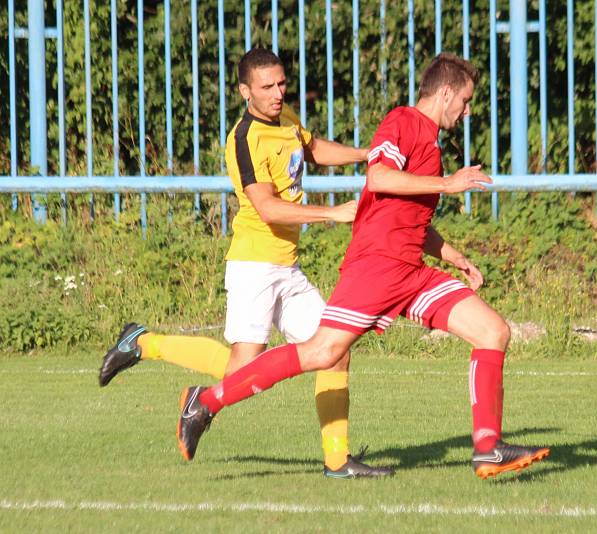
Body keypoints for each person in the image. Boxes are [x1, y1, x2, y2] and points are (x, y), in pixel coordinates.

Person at [174, 53, 550, 479]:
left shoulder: (429, 141)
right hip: (376, 267)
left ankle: (487, 448)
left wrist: (452, 254)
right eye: (464, 101)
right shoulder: (403, 122)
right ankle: (205, 403)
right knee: (322, 352)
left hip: (410, 270)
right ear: (445, 93)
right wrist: (448, 183)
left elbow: (402, 215)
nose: (467, 111)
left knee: (492, 330)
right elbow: (380, 179)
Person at [99, 48, 392, 478]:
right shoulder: (243, 140)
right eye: (267, 87)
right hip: (254, 266)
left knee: (334, 351)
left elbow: (312, 149)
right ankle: (143, 343)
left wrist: (365, 154)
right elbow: (269, 209)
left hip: (287, 267)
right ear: (244, 91)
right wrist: (332, 213)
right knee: (244, 371)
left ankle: (337, 461)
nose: (277, 93)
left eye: (281, 84)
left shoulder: (285, 117)